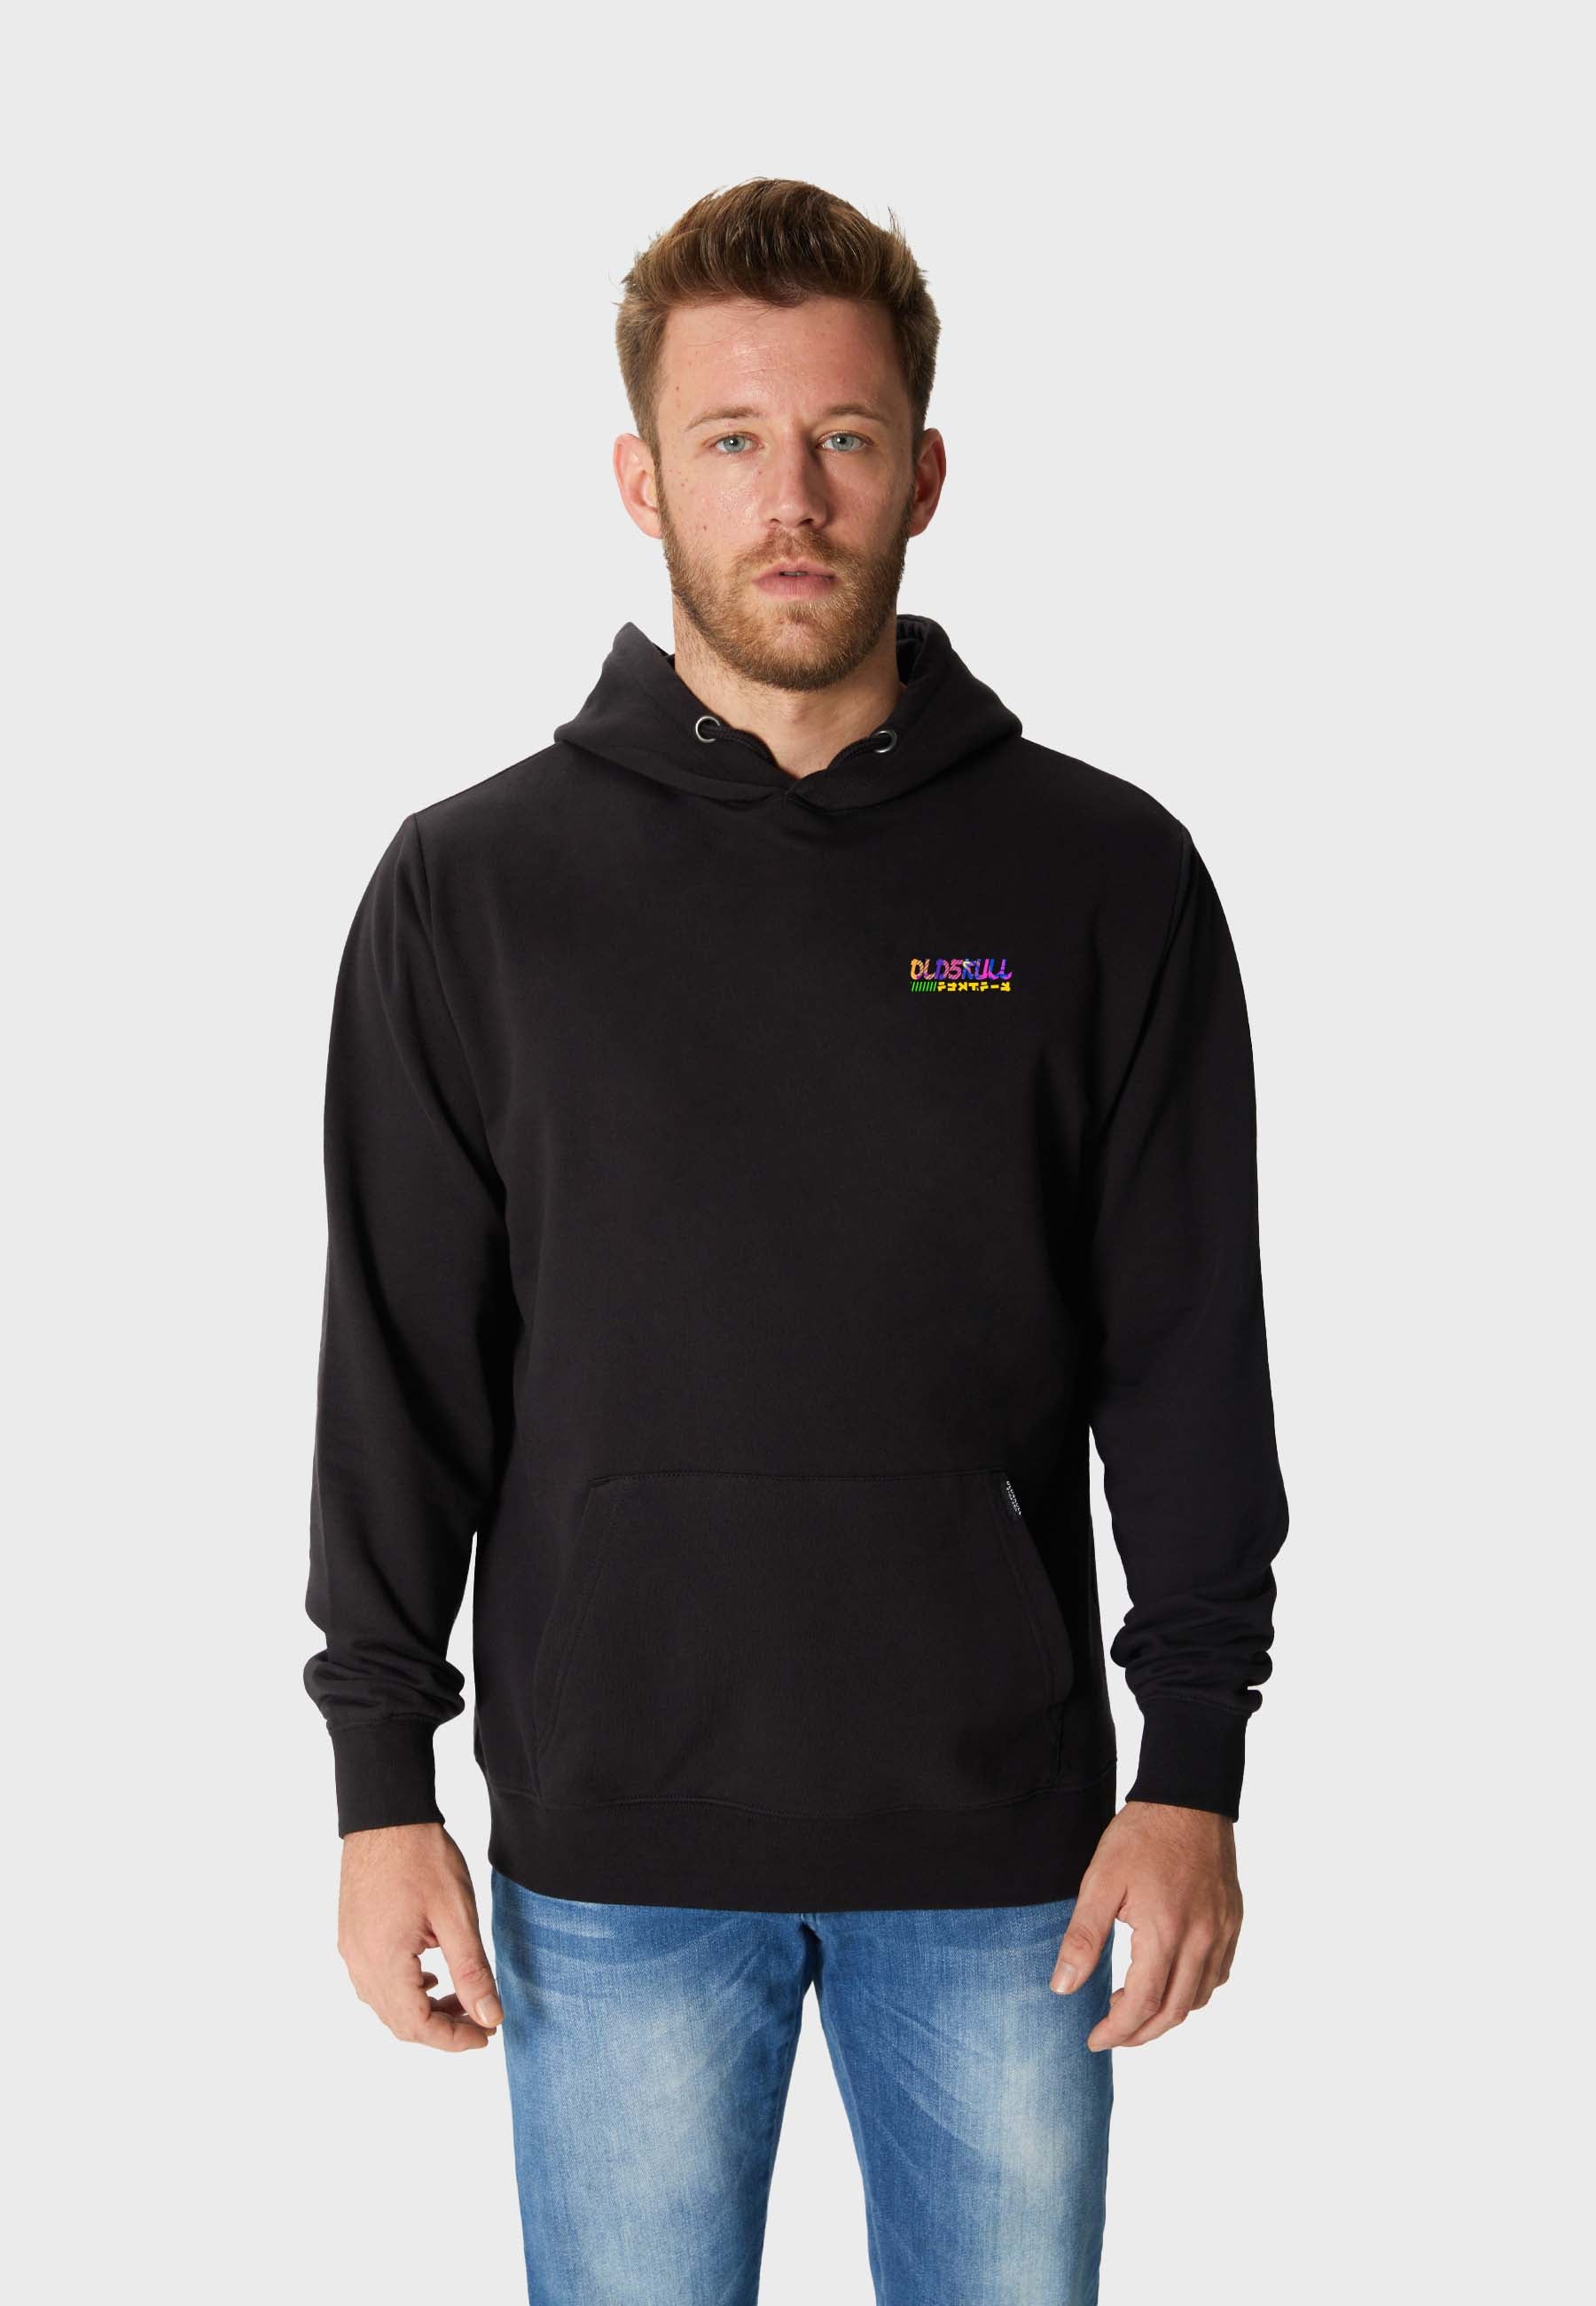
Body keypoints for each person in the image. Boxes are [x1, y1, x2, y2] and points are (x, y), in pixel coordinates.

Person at [303, 176, 1289, 2306]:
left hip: (1010, 1856)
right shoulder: (474, 892)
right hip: (614, 1854)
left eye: (844, 436)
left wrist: (1196, 1766)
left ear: (923, 471)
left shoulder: (1100, 876)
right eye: (734, 439)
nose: (794, 499)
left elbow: (1189, 1352)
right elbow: (401, 1368)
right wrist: (381, 1780)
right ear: (640, 477)